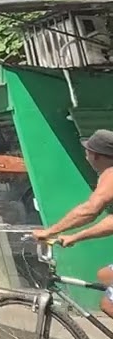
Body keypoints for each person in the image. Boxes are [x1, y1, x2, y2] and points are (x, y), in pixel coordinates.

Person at [33, 129, 113, 319]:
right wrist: (76, 236)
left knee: (109, 302)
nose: (85, 155)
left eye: (87, 151)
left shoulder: (110, 174)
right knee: (104, 281)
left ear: (95, 155)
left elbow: (90, 209)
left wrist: (49, 231)